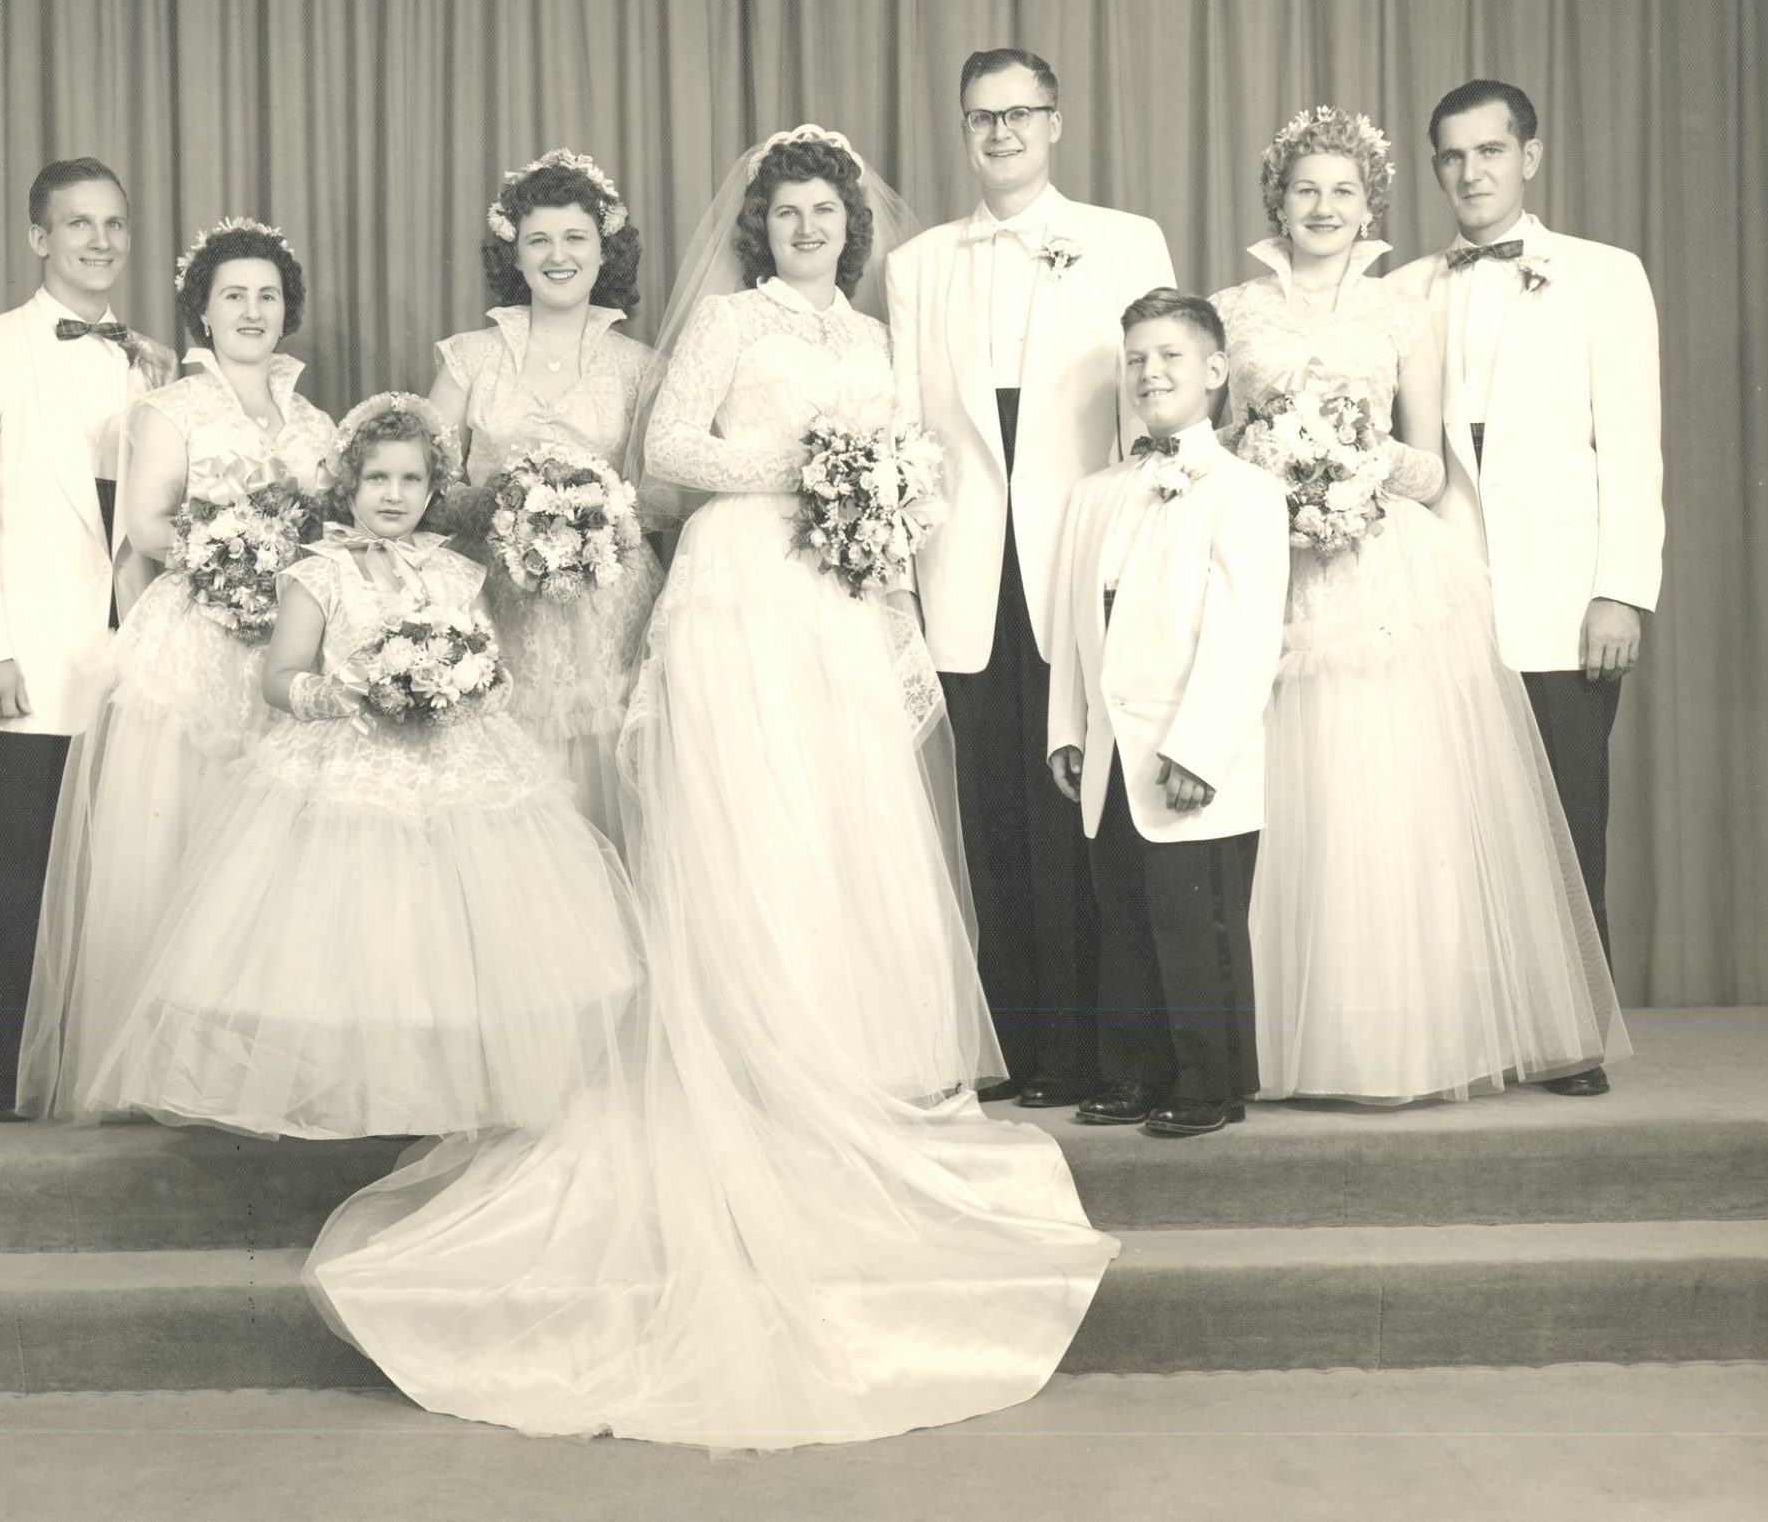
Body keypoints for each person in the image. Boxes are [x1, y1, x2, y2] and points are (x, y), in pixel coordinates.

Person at [304, 128, 1116, 1451]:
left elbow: (912, 455)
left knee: (843, 825)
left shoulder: (872, 332)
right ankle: (741, 1050)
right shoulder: (730, 322)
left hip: (835, 598)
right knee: (749, 822)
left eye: (823, 212)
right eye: (787, 211)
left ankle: (845, 1054)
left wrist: (885, 502)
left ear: (851, 228)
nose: (806, 227)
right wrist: (806, 471)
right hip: (738, 584)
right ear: (761, 226)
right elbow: (674, 450)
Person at [80, 396, 641, 1138]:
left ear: (433, 490)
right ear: (347, 487)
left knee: (451, 939)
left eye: (411, 480)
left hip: (454, 759)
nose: (393, 495)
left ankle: (441, 1092)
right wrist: (327, 692)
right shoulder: (321, 574)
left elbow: (490, 663)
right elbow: (278, 674)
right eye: (377, 478)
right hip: (344, 754)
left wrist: (475, 682)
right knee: (347, 938)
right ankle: (349, 1091)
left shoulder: (457, 574)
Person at [1213, 105, 1629, 1104]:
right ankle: (1283, 1041)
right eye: (1304, 189)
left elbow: (1434, 466)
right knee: (1288, 808)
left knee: (1387, 806)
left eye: (1342, 191)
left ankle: (1404, 1036)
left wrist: (1350, 466)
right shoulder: (1230, 309)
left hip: (1381, 571)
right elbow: (1217, 442)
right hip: (1275, 574)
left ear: (1370, 206)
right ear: (1277, 198)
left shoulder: (1407, 308)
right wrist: (1271, 461)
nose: (1322, 207)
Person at [887, 47, 1176, 1107]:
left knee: (1080, 807)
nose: (998, 133)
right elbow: (907, 429)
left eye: (1017, 114)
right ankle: (1015, 1052)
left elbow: (1154, 399)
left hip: (1083, 551)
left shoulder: (1121, 240)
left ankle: (1097, 1052)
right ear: (962, 129)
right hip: (963, 565)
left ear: (1053, 123)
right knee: (991, 812)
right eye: (979, 117)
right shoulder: (917, 263)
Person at [14, 218, 340, 1121]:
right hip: (197, 642)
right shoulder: (168, 409)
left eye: (268, 295)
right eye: (232, 294)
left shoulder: (314, 421)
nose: (252, 310)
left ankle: (257, 1066)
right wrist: (237, 549)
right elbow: (148, 527)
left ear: (288, 311)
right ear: (201, 308)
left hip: (288, 646)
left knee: (274, 863)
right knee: (182, 843)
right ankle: (165, 1068)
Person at [1386, 81, 1663, 1094]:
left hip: (1561, 599)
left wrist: (1618, 592)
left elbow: (1631, 446)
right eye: (1451, 157)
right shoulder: (1404, 289)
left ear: (1528, 159)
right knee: (1452, 820)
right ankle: (1473, 1024)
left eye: (1489, 153)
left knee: (1564, 817)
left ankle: (1569, 1036)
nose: (1470, 174)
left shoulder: (1600, 276)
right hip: (1445, 593)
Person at [0, 157, 175, 1121]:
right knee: (21, 861)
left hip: (140, 652)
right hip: (34, 652)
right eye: (79, 224)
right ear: (38, 237)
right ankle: (9, 1064)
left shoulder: (156, 360)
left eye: (114, 223)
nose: (100, 241)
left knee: (129, 861)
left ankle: (112, 1054)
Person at [1046, 291, 1288, 1136]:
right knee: (1127, 921)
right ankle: (1134, 1072)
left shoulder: (1246, 491)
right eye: (1137, 358)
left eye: (1170, 357)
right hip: (1111, 748)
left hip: (1191, 750)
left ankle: (1209, 1082)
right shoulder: (1094, 493)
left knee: (1198, 921)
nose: (1150, 372)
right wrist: (1067, 729)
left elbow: (1246, 636)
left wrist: (1199, 750)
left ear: (1215, 372)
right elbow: (1071, 626)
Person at [426, 150, 664, 844]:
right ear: (515, 254)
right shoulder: (468, 358)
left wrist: (598, 515)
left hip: (609, 614)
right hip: (495, 604)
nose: (557, 255)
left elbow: (667, 497)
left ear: (603, 250)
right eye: (539, 240)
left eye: (574, 238)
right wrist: (508, 512)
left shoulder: (641, 366)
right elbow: (428, 486)